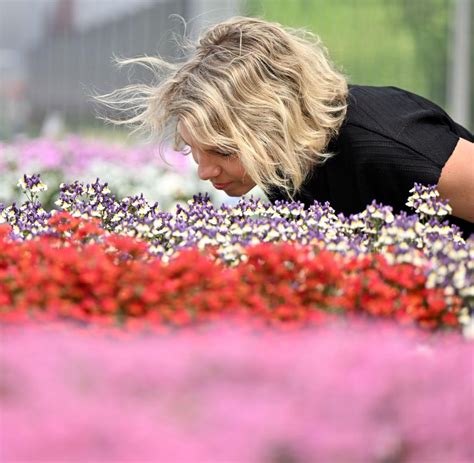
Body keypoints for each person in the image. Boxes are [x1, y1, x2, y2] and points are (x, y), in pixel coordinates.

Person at [97, 16, 474, 237]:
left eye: (224, 150)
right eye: (196, 151)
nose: (205, 171)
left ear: (274, 123)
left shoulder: (390, 145)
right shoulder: (284, 165)